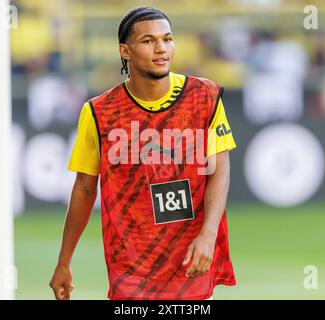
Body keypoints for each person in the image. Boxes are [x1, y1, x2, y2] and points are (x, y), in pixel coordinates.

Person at [49, 6, 237, 300]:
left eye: (167, 39)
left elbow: (219, 168)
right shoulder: (99, 113)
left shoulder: (205, 97)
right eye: (148, 41)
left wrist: (209, 233)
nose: (161, 48)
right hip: (131, 262)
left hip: (190, 256)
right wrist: (64, 261)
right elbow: (84, 189)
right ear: (125, 51)